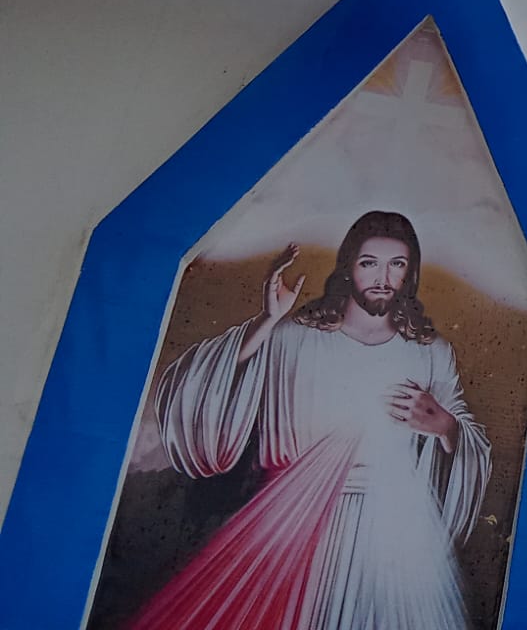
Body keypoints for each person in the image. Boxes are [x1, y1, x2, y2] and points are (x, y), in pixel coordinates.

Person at [127, 211, 491, 630]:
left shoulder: (430, 351)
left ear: (410, 273)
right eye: (369, 262)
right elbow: (204, 386)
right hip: (290, 521)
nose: (382, 277)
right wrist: (267, 321)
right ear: (348, 266)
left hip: (393, 533)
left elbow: (468, 439)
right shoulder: (294, 337)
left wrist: (445, 426)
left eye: (397, 264)